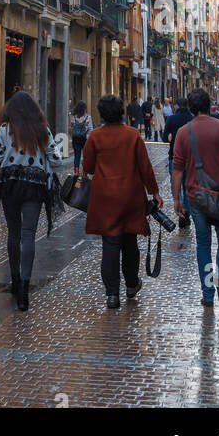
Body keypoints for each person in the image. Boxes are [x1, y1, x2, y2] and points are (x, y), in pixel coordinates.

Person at [82, 94, 161, 310]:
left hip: (105, 198)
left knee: (110, 244)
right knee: (130, 242)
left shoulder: (95, 136)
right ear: (121, 112)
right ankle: (132, 285)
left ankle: (112, 295)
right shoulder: (132, 135)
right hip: (131, 197)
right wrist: (154, 192)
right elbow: (146, 167)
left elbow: (87, 167)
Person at [0, 92, 62, 311]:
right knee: (28, 234)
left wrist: (12, 155)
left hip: (9, 184)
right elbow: (56, 159)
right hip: (34, 185)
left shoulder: (4, 130)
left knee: (14, 232)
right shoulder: (42, 130)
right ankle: (25, 291)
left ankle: (15, 280)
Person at [172, 88, 219, 308]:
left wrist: (176, 198)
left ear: (192, 108)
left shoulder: (184, 132)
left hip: (196, 197)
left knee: (203, 243)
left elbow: (177, 170)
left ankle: (208, 294)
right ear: (210, 105)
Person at [164, 96, 193, 227]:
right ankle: (186, 210)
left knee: (175, 184)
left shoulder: (171, 119)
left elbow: (165, 138)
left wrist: (172, 139)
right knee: (187, 186)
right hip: (190, 158)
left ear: (176, 106)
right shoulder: (192, 118)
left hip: (174, 156)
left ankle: (180, 207)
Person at [70, 100, 94, 170]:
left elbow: (71, 128)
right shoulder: (88, 117)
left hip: (75, 138)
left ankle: (76, 173)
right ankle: (85, 172)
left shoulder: (73, 117)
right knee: (86, 156)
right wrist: (89, 138)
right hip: (85, 138)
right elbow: (90, 128)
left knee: (77, 156)